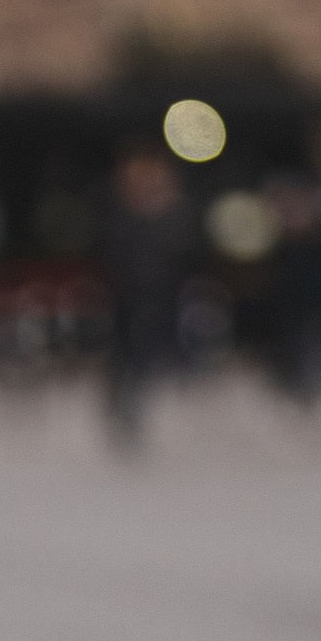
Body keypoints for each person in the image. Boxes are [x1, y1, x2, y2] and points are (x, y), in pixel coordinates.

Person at [96, 145, 194, 446]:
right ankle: (124, 412)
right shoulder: (114, 211)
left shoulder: (175, 213)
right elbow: (108, 254)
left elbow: (187, 253)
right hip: (124, 301)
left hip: (165, 300)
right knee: (125, 359)